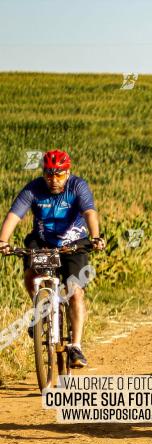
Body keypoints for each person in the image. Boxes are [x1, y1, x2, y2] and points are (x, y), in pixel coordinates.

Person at [0, 149, 105, 368]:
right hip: (43, 241)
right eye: (49, 174)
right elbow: (14, 215)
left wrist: (95, 237)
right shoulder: (34, 189)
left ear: (68, 172)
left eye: (59, 174)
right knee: (31, 274)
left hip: (74, 244)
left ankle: (75, 346)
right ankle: (40, 310)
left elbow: (89, 213)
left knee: (75, 293)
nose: (54, 180)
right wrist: (3, 241)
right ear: (44, 172)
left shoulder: (78, 186)